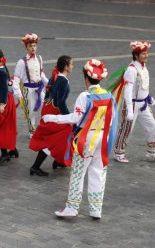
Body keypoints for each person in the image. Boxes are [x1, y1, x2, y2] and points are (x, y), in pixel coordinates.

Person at [42, 59, 118, 219]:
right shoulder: (108, 95)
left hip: (86, 137)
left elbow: (75, 118)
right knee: (98, 172)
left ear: (86, 78)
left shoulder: (85, 96)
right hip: (101, 137)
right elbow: (111, 120)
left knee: (78, 172)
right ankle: (96, 209)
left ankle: (72, 207)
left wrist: (52, 118)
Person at [113, 41, 155, 163]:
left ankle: (152, 151)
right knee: (127, 128)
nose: (146, 56)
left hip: (143, 104)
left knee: (153, 126)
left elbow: (142, 85)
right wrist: (130, 109)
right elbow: (128, 90)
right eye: (143, 54)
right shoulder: (131, 70)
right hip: (133, 104)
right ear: (136, 55)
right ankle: (118, 152)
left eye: (146, 53)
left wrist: (148, 96)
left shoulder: (143, 67)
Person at [29, 55, 73, 176]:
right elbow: (61, 102)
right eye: (71, 64)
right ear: (66, 66)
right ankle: (35, 166)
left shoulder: (55, 77)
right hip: (55, 112)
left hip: (49, 109)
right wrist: (68, 118)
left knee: (62, 135)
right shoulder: (63, 81)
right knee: (57, 137)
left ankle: (59, 161)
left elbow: (49, 95)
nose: (72, 66)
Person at [11, 33, 49, 138]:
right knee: (31, 111)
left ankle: (44, 128)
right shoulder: (22, 62)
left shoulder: (39, 58)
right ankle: (32, 131)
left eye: (34, 46)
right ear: (26, 47)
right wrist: (18, 93)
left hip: (40, 87)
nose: (33, 48)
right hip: (28, 89)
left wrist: (48, 83)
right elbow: (16, 78)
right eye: (30, 46)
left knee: (45, 106)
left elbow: (41, 73)